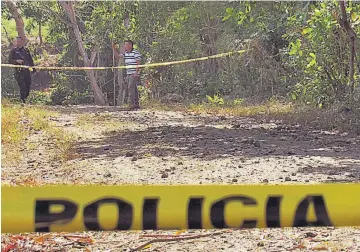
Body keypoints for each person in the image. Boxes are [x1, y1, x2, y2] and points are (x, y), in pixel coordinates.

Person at [112, 40, 141, 110]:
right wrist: (114, 49)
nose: (125, 46)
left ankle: (131, 104)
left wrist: (136, 72)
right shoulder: (126, 53)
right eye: (124, 45)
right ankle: (136, 104)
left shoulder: (135, 52)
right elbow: (118, 57)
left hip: (133, 73)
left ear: (130, 45)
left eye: (126, 45)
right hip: (128, 73)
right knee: (133, 87)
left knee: (130, 87)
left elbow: (139, 63)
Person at [8, 36, 36, 103]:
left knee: (28, 84)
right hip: (18, 71)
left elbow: (30, 60)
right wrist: (17, 61)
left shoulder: (26, 50)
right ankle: (22, 101)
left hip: (26, 71)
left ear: (22, 42)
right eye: (17, 41)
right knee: (22, 86)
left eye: (19, 41)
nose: (18, 42)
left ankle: (26, 98)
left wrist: (33, 68)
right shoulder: (13, 51)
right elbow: (9, 60)